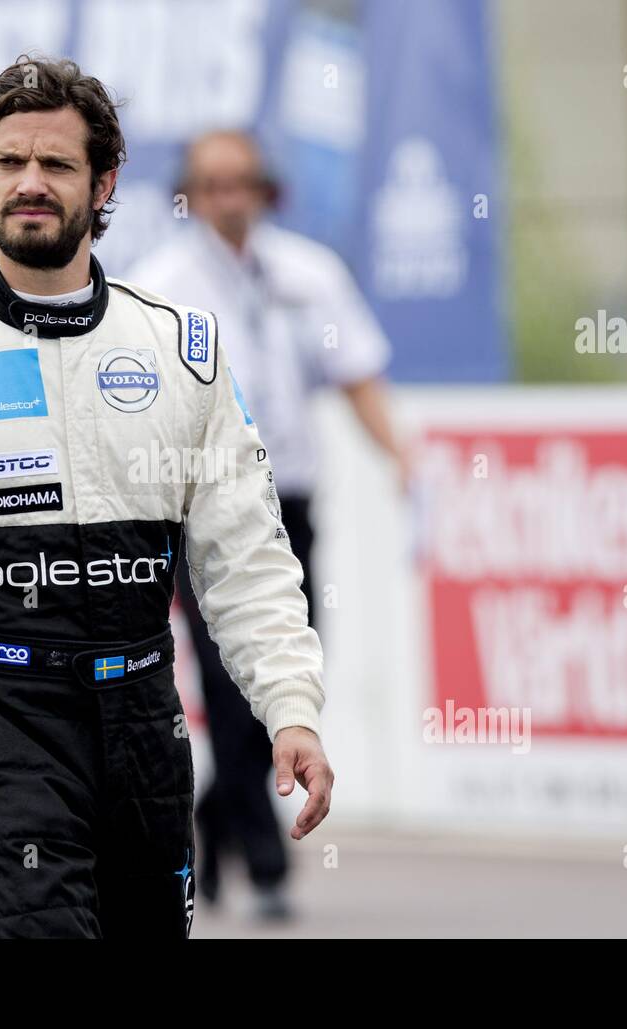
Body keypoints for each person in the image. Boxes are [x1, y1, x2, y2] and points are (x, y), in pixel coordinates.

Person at [0, 56, 332, 939]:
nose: (32, 184)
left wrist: (292, 707)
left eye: (57, 165)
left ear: (105, 182)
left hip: (141, 726)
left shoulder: (183, 350)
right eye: (10, 163)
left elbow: (247, 558)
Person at [128, 130, 409, 918]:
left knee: (288, 665)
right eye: (211, 183)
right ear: (190, 192)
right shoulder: (161, 285)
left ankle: (213, 817)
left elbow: (357, 373)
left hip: (290, 499)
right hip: (203, 506)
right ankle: (264, 857)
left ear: (265, 189)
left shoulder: (309, 275)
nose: (228, 196)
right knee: (225, 675)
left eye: (241, 181)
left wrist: (400, 455)